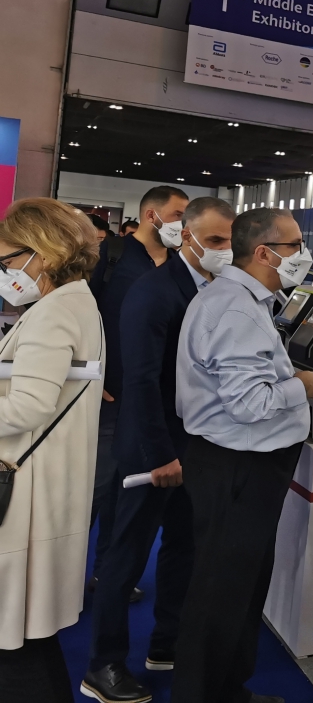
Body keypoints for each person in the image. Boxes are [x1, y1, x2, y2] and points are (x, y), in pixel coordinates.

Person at [83, 198, 235, 703]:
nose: (224, 250)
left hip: (195, 445)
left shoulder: (213, 289)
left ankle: (167, 643)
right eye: (214, 241)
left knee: (183, 549)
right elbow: (143, 381)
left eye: (229, 240)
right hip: (152, 448)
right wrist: (159, 455)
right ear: (187, 236)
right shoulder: (154, 292)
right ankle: (103, 665)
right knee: (125, 558)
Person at [173, 208, 313, 703]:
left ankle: (228, 689)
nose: (303, 254)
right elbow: (249, 404)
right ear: (263, 252)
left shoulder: (241, 300)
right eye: (295, 245)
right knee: (220, 592)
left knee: (240, 587)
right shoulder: (235, 308)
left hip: (241, 464)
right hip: (237, 465)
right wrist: (302, 387)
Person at [0, 199, 104, 702]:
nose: (4, 273)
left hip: (27, 489)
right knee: (27, 638)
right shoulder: (73, 301)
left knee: (17, 642)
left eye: (6, 261)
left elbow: (28, 406)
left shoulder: (53, 311)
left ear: (41, 253)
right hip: (42, 482)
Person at [90, 186, 188, 593]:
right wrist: (92, 376)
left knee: (129, 495)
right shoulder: (110, 255)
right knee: (94, 490)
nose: (184, 224)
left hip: (155, 401)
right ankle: (61, 579)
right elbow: (82, 314)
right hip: (110, 395)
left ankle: (107, 573)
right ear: (152, 216)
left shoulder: (180, 266)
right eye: (179, 215)